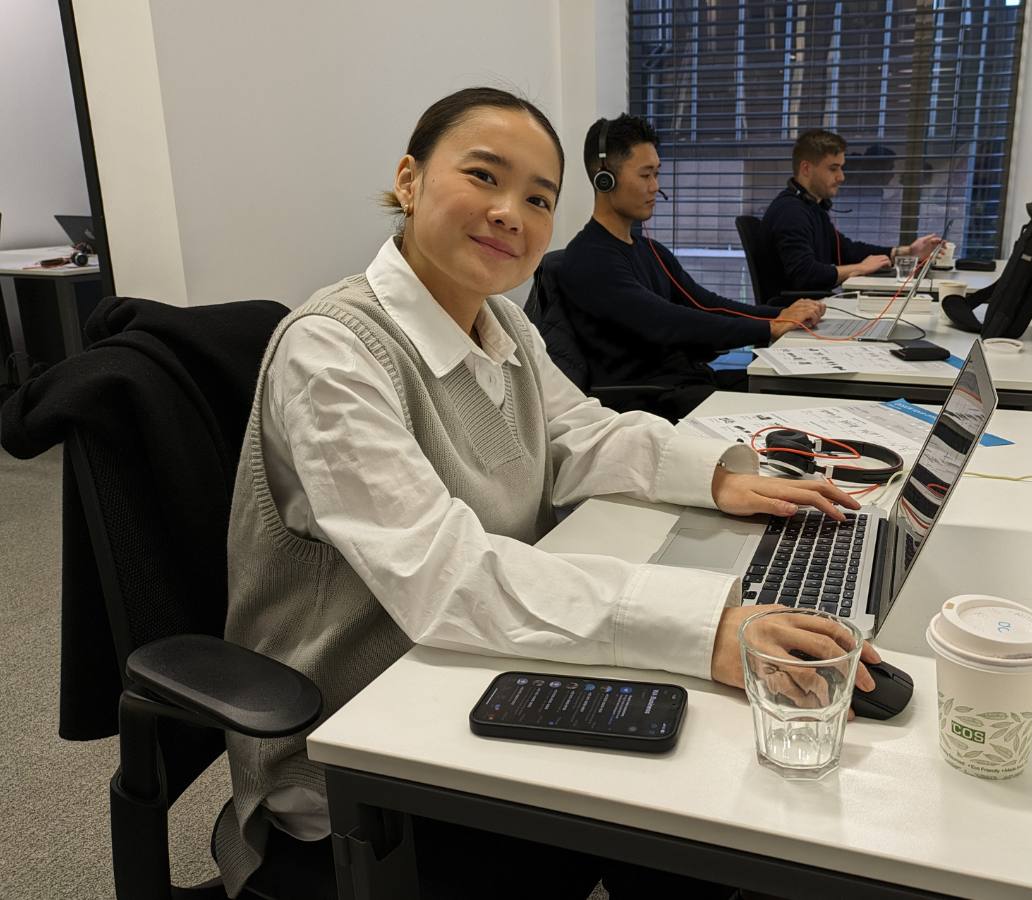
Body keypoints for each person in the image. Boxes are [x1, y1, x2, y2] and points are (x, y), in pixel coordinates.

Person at [216, 87, 881, 899]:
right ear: (410, 180)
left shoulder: (501, 322)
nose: (510, 213)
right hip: (362, 740)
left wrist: (728, 477)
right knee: (696, 796)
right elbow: (444, 575)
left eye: (537, 198)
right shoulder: (332, 353)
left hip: (473, 669)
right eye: (484, 177)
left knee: (707, 769)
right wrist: (707, 623)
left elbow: (580, 433)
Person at [559, 114, 826, 421]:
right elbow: (669, 322)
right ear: (603, 178)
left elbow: (704, 302)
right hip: (651, 405)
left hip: (688, 386)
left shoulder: (649, 249)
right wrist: (769, 327)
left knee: (805, 397)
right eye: (646, 175)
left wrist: (779, 314)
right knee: (797, 418)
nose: (655, 187)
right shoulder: (590, 259)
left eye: (657, 174)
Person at [762, 129, 941, 291]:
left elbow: (847, 251)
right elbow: (805, 275)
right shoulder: (790, 212)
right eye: (833, 169)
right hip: (797, 314)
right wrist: (859, 268)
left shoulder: (812, 208)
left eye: (841, 168)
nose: (841, 177)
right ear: (806, 169)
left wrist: (907, 252)